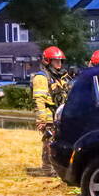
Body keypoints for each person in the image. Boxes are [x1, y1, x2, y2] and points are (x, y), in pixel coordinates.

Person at [31, 46, 71, 176]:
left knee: (59, 144)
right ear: (48, 61)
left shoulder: (62, 77)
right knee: (49, 143)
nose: (59, 64)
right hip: (48, 117)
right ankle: (48, 169)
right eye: (55, 61)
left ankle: (58, 169)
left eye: (60, 61)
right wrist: (41, 120)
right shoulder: (41, 78)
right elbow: (39, 100)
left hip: (60, 116)